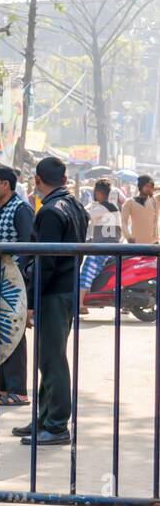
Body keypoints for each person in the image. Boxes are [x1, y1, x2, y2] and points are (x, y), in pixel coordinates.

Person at [14, 157, 88, 447]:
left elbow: (46, 262)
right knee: (49, 357)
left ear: (37, 180)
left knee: (52, 359)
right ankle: (44, 418)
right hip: (65, 288)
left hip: (53, 291)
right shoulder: (74, 205)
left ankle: (56, 425)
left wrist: (31, 300)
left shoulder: (50, 211)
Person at [79, 178, 122, 313]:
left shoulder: (102, 207)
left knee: (87, 272)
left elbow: (84, 215)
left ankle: (80, 304)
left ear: (98, 192)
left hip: (104, 248)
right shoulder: (111, 206)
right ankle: (86, 302)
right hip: (112, 246)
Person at [120, 174, 158, 245]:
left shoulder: (155, 200)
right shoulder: (129, 202)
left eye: (151, 187)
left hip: (154, 245)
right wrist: (128, 237)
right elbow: (123, 222)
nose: (149, 188)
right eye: (147, 186)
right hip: (136, 245)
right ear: (140, 186)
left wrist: (155, 188)